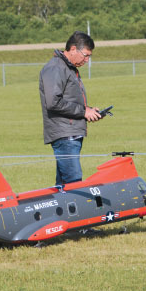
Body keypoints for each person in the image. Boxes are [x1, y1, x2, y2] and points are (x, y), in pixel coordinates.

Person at [39, 31, 102, 186]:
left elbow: (69, 99)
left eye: (89, 56)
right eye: (85, 55)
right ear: (73, 49)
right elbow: (53, 102)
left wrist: (89, 110)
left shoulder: (68, 68)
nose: (87, 60)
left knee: (63, 187)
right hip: (65, 135)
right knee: (73, 184)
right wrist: (83, 111)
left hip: (70, 133)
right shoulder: (55, 68)